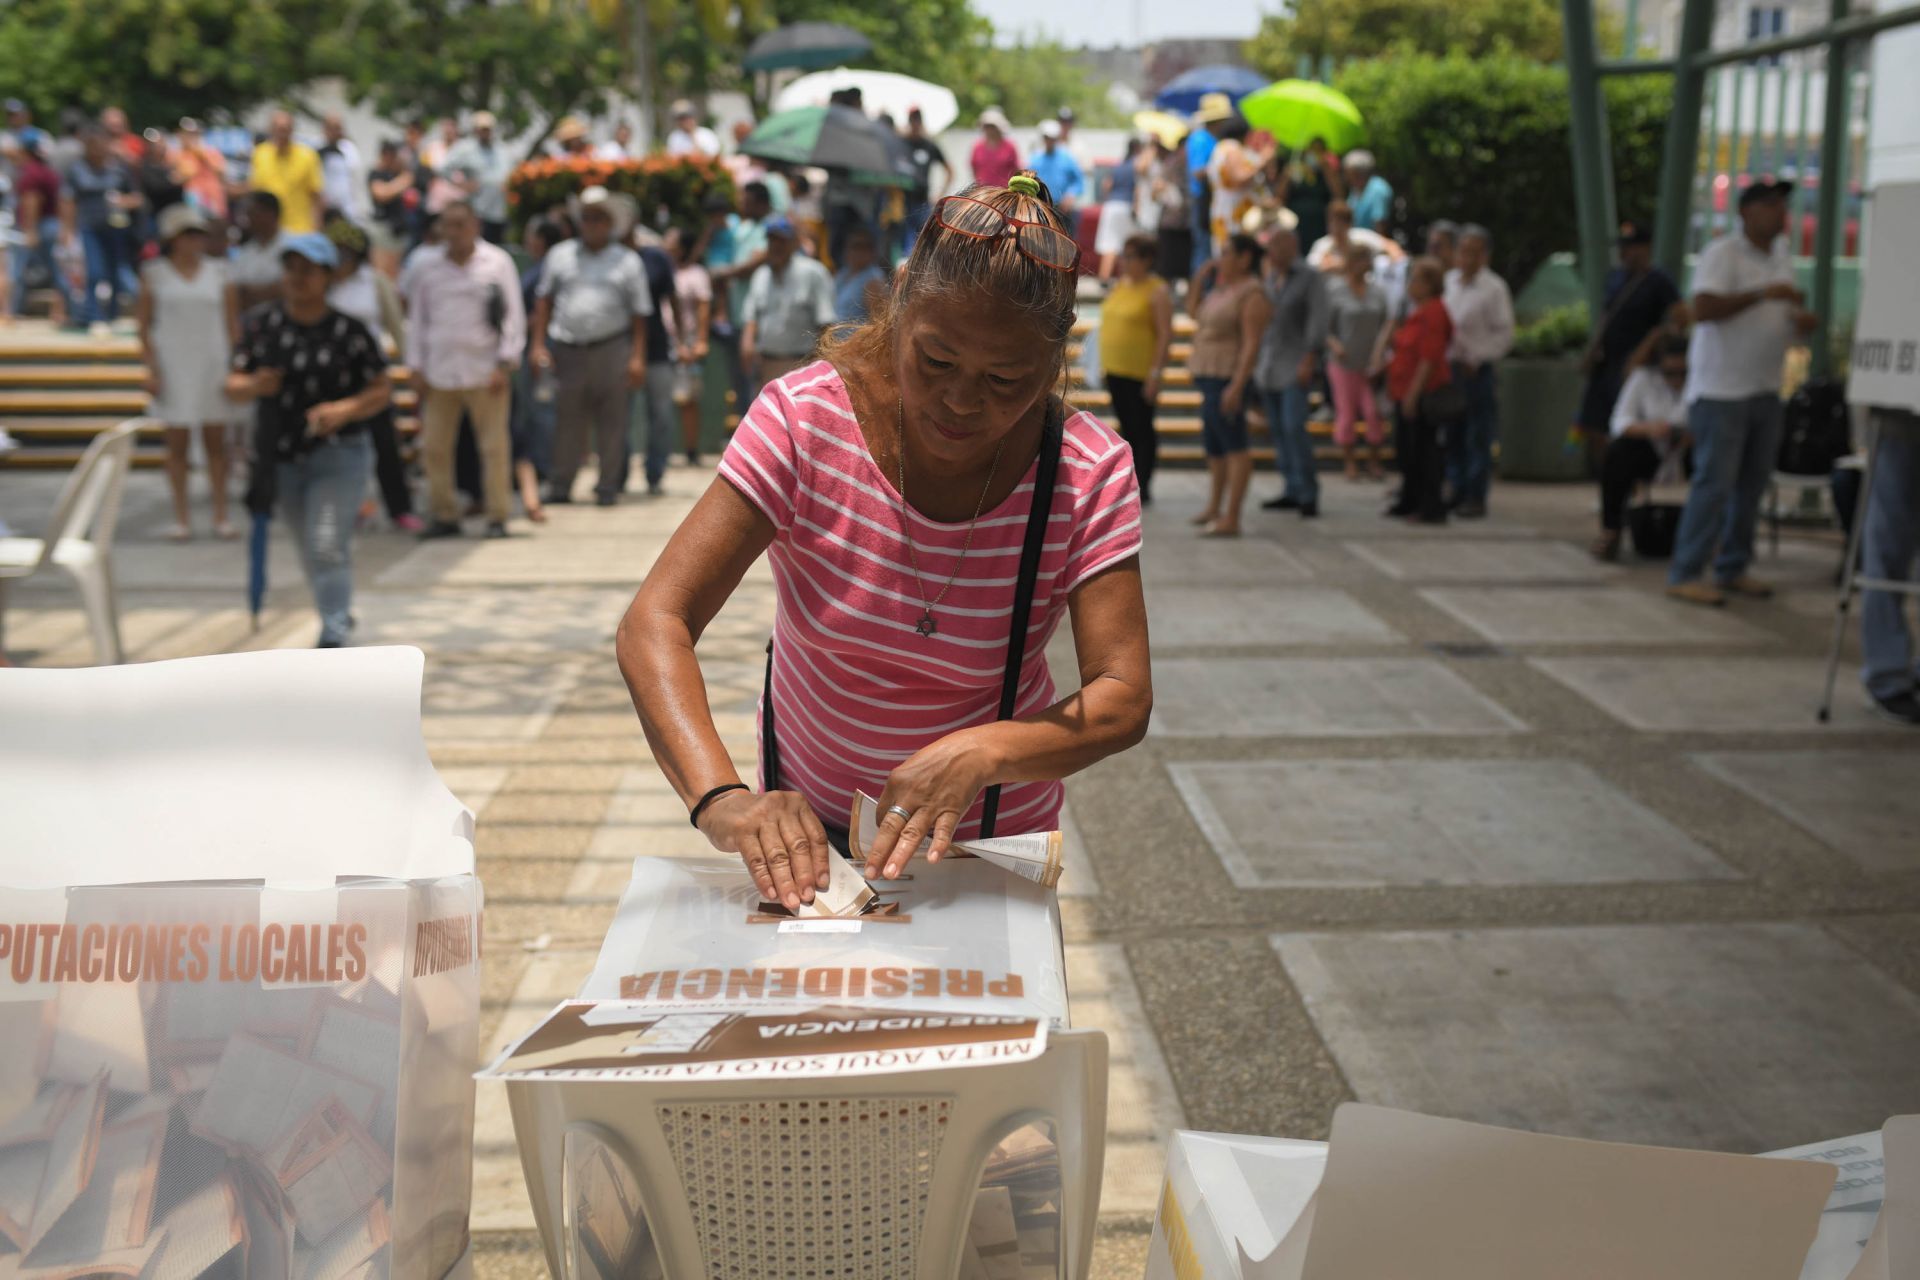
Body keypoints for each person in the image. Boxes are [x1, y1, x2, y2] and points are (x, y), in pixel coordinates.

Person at [614, 168, 1147, 904]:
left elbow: (1121, 696)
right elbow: (657, 619)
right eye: (936, 361)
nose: (961, 400)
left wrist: (984, 751)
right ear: (898, 304)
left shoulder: (1085, 472)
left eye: (1006, 380)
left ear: (1054, 361)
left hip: (985, 849)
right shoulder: (803, 423)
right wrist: (723, 802)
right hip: (805, 846)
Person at [226, 233, 392, 647]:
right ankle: (335, 611)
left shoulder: (348, 332)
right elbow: (233, 383)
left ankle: (333, 632)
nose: (298, 278)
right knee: (311, 549)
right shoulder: (263, 326)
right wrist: (254, 385)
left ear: (327, 277)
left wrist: (344, 410)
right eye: (291, 269)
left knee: (326, 544)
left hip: (339, 454)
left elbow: (381, 389)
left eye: (308, 271)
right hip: (280, 457)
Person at [1665, 180, 1816, 606]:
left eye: (1783, 206)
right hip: (1721, 390)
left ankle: (1733, 566)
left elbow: (1781, 312)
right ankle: (1686, 570)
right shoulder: (1722, 254)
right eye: (1771, 205)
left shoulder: (1782, 256)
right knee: (1714, 484)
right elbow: (1705, 309)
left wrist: (1799, 321)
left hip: (1765, 387)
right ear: (1747, 212)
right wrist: (1762, 294)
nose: (1781, 213)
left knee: (1751, 486)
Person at [405, 201, 526, 538]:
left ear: (476, 226)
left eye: (460, 225)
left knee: (493, 447)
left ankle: (497, 516)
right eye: (447, 225)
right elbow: (417, 320)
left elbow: (513, 315)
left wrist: (505, 361)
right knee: (435, 447)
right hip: (439, 370)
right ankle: (444, 514)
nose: (453, 233)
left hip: (486, 370)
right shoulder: (426, 266)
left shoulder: (497, 262)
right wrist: (414, 365)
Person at [530, 187, 650, 507]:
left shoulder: (627, 261)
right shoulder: (560, 255)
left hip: (612, 348)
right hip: (567, 349)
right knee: (567, 418)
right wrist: (538, 344)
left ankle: (607, 486)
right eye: (586, 218)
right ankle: (561, 484)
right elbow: (544, 301)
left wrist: (637, 357)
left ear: (610, 223)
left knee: (612, 420)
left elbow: (640, 314)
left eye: (599, 218)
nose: (592, 224)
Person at [137, 204, 241, 541]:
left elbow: (232, 326)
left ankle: (220, 514)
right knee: (177, 445)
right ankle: (181, 517)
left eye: (198, 234)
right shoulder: (154, 274)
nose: (195, 240)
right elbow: (144, 327)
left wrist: (235, 367)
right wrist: (151, 368)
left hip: (212, 362)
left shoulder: (220, 272)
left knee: (216, 444)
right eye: (188, 234)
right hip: (173, 364)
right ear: (173, 239)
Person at [323, 219, 420, 533]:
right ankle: (351, 508)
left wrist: (411, 366)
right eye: (336, 252)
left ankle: (399, 509)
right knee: (337, 450)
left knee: (385, 446)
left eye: (346, 252)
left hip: (371, 376)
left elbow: (395, 325)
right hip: (332, 377)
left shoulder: (375, 282)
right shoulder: (322, 284)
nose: (341, 258)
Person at [1575, 219, 1685, 473]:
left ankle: (1628, 484)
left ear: (1646, 248)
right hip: (1607, 362)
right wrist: (1592, 351)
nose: (1626, 252)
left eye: (1632, 246)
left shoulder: (1659, 281)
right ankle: (1608, 483)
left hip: (1636, 365)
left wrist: (1652, 342)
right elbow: (1606, 315)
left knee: (1622, 423)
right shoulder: (1615, 276)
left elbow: (1680, 317)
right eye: (1623, 246)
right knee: (1593, 425)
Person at [1188, 233, 1270, 537]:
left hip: (1227, 377)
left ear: (1245, 258)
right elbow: (1194, 311)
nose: (1220, 259)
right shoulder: (1223, 288)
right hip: (1209, 374)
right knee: (1215, 445)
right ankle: (1215, 506)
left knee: (1235, 446)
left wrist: (1237, 385)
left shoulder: (1252, 294)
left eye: (1227, 253)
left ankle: (1232, 516)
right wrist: (1199, 278)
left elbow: (1252, 344)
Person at [1592, 336, 1691, 561]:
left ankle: (1712, 536)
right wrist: (1648, 429)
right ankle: (1611, 529)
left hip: (1688, 451)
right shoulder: (1643, 378)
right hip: (1652, 449)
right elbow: (1620, 422)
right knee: (1617, 454)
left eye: (1683, 373)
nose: (1677, 379)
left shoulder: (1702, 379)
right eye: (1670, 373)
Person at [1255, 228, 1330, 518]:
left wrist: (1310, 358)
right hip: (1271, 364)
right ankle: (1292, 487)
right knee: (1278, 430)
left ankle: (1308, 492)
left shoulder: (1310, 277)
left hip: (1295, 363)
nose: (1271, 252)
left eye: (1276, 246)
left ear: (1292, 246)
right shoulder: (1271, 277)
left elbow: (1319, 320)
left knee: (1293, 427)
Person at [1442, 224, 1514, 518]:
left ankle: (1475, 495)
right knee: (1453, 433)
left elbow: (1505, 334)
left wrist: (1480, 357)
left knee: (1477, 435)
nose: (1467, 258)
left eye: (1474, 252)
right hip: (1450, 370)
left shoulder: (1494, 288)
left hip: (1476, 371)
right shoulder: (1449, 282)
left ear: (1484, 255)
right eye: (1463, 251)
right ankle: (1455, 488)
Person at [1099, 234, 1173, 505]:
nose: (1125, 262)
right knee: (1126, 427)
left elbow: (1165, 334)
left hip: (1140, 371)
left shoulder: (1157, 290)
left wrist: (1156, 374)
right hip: (1116, 368)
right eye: (1124, 256)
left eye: (1131, 257)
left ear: (1147, 260)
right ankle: (1129, 480)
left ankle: (1143, 482)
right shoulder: (1122, 284)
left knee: (1141, 429)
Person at [1859, 409, 1920, 725]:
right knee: (1887, 549)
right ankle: (1887, 675)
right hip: (1899, 417)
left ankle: (1890, 675)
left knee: (1887, 549)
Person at [1386, 256, 1454, 523]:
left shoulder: (1434, 312)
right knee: (1408, 450)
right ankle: (1409, 499)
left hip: (1424, 393)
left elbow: (1429, 357)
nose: (1410, 285)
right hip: (1402, 390)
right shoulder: (1417, 312)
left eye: (1415, 280)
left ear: (1429, 284)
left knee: (1424, 452)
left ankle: (1429, 506)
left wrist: (1413, 394)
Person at [740, 215, 835, 391]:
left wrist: (820, 369)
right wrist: (747, 344)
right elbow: (751, 317)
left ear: (794, 243)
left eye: (782, 241)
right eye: (771, 240)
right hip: (766, 364)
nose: (776, 246)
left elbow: (826, 325)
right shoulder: (761, 275)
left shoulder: (813, 273)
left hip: (801, 365)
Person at [511, 216, 563, 522]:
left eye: (532, 236)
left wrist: (529, 331)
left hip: (542, 351)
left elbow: (548, 307)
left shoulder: (547, 269)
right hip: (532, 350)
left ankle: (546, 471)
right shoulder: (537, 268)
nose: (529, 242)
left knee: (544, 413)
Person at [1325, 250, 1393, 481]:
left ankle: (1374, 462)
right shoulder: (1335, 290)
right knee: (1347, 414)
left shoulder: (1378, 292)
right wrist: (1335, 346)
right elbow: (1324, 327)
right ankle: (1350, 463)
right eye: (1360, 259)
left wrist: (1381, 356)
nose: (1365, 264)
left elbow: (1387, 325)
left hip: (1370, 365)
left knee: (1373, 413)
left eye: (1367, 260)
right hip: (1343, 364)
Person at [65, 128, 142, 326]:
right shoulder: (77, 170)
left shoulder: (119, 169)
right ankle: (93, 316)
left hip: (116, 228)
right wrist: (66, 230)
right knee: (94, 272)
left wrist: (122, 201)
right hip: (89, 226)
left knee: (116, 271)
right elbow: (68, 201)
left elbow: (137, 198)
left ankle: (112, 314)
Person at [629, 225, 680, 497]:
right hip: (619, 351)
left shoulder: (656, 258)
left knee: (660, 416)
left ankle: (655, 473)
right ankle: (615, 478)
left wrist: (681, 340)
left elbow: (673, 300)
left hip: (658, 350)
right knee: (618, 419)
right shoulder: (611, 257)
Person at [10, 137, 78, 324]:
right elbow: (63, 201)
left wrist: (30, 230)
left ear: (25, 151)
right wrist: (65, 227)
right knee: (57, 271)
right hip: (52, 224)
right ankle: (73, 309)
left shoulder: (30, 173)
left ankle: (12, 312)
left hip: (38, 225)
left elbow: (32, 201)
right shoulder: (49, 172)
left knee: (18, 270)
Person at [666, 225, 712, 465]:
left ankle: (691, 451)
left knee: (688, 400)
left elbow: (703, 308)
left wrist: (700, 341)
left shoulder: (696, 274)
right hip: (664, 342)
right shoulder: (663, 270)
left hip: (689, 343)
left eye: (671, 241)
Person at [441, 111, 513, 244]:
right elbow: (444, 168)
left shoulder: (502, 149)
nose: (485, 132)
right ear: (475, 130)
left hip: (500, 210)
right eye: (482, 129)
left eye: (488, 129)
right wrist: (461, 185)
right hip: (478, 210)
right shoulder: (465, 148)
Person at [250, 111, 324, 233]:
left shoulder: (307, 155)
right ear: (271, 130)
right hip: (269, 231)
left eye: (285, 129)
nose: (282, 134)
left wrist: (317, 228)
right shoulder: (260, 154)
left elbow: (316, 196)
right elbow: (255, 190)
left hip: (299, 230)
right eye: (278, 129)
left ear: (292, 130)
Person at [1205, 116, 1266, 259]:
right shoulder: (1231, 147)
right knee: (1235, 254)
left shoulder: (1221, 148)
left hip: (1226, 210)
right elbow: (1239, 178)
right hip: (1235, 213)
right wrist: (1263, 160)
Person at [1187, 94, 1233, 276]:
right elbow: (1197, 172)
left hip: (1210, 199)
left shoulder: (1212, 139)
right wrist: (1219, 168)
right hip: (1202, 199)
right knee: (1204, 249)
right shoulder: (1201, 139)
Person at [1277, 138, 1342, 252]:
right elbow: (1279, 198)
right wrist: (1286, 176)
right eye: (1312, 149)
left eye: (1318, 150)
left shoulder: (1326, 173)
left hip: (1319, 226)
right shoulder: (1295, 170)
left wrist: (1326, 169)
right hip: (1296, 225)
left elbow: (1339, 195)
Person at [366, 139, 418, 276]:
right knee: (381, 274)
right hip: (383, 228)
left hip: (399, 230)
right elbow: (381, 194)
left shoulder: (398, 173)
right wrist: (404, 181)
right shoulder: (376, 173)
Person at [1094, 138, 1144, 282]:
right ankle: (1125, 279)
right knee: (1127, 245)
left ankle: (1104, 278)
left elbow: (1106, 185)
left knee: (1109, 245)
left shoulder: (1118, 165)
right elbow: (1138, 189)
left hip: (1111, 205)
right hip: (1126, 205)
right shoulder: (1137, 165)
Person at [230, 192, 290, 310]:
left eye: (252, 213)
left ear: (270, 214)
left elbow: (290, 287)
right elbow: (237, 292)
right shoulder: (244, 252)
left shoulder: (293, 245)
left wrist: (253, 293)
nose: (248, 219)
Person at [1306, 199, 1401, 273]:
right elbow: (1311, 270)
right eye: (1332, 222)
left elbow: (1391, 246)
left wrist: (1395, 264)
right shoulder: (1322, 245)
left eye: (1340, 223)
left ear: (1349, 224)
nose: (1335, 227)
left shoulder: (1362, 237)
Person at [901, 108, 948, 254]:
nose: (915, 124)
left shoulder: (929, 145)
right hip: (903, 201)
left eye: (917, 120)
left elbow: (949, 170)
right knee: (905, 246)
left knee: (924, 244)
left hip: (922, 202)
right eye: (912, 120)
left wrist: (939, 194)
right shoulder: (902, 143)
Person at [1149, 137, 1192, 284]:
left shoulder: (1181, 164)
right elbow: (1156, 190)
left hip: (1183, 221)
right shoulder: (1172, 164)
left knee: (1179, 263)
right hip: (1172, 221)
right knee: (1167, 264)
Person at [171, 118, 228, 224]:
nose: (189, 137)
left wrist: (201, 155)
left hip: (213, 198)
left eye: (193, 134)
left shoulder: (210, 151)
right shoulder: (177, 155)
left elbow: (221, 172)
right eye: (186, 133)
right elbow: (175, 178)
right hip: (192, 199)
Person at [833, 226, 888, 324]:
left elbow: (880, 322)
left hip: (856, 338)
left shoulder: (873, 280)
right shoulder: (842, 274)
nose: (861, 251)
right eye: (856, 246)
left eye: (866, 247)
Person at [318, 113, 366, 223]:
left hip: (347, 211)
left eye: (338, 128)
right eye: (331, 128)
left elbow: (356, 179)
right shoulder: (316, 147)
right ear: (324, 128)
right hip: (324, 212)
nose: (335, 132)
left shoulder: (349, 149)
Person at [1028, 121, 1084, 217]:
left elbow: (1078, 181)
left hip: (1064, 210)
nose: (1049, 141)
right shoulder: (1035, 160)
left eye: (1052, 138)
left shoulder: (1067, 158)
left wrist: (1071, 194)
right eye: (1047, 138)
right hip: (1041, 209)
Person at [970, 109, 1020, 190]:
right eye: (987, 126)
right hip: (983, 193)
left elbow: (1017, 170)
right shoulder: (977, 147)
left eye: (992, 126)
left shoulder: (1010, 146)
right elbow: (974, 168)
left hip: (1004, 193)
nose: (989, 130)